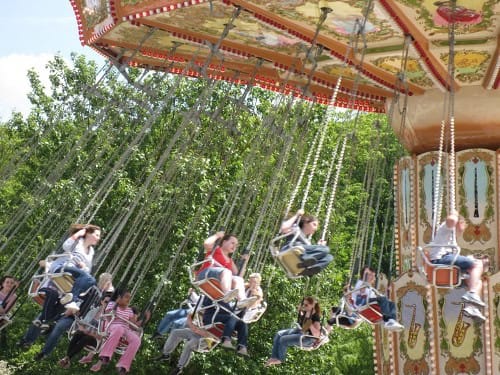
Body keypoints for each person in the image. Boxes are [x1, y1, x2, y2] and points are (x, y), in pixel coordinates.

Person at [32, 273, 114, 360]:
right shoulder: (91, 290)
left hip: (81, 322)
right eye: (103, 282)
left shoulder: (104, 306)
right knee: (59, 313)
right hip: (76, 315)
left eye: (107, 283)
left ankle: (46, 348)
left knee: (61, 326)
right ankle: (49, 325)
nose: (104, 285)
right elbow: (79, 299)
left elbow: (97, 327)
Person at [429, 210, 487, 321]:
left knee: (477, 282)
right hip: (440, 260)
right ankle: (472, 294)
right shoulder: (446, 229)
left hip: (447, 265)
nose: (463, 229)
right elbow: (451, 220)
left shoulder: (452, 239)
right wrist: (454, 213)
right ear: (459, 223)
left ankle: (471, 307)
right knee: (477, 264)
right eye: (463, 225)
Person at [90, 288, 145, 374]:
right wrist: (115, 306)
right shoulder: (112, 304)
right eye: (126, 297)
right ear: (120, 297)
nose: (128, 299)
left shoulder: (129, 310)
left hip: (125, 329)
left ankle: (123, 365)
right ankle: (105, 355)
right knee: (119, 328)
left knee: (137, 340)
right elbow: (107, 317)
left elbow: (132, 325)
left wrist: (143, 319)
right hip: (112, 325)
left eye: (129, 298)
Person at [196, 232, 256, 309]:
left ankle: (242, 300)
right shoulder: (216, 249)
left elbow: (238, 275)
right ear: (224, 242)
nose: (234, 246)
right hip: (205, 275)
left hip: (217, 281)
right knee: (227, 272)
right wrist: (217, 235)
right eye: (232, 243)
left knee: (239, 279)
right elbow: (207, 244)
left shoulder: (230, 261)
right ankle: (227, 293)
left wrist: (245, 262)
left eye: (236, 245)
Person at [57, 292, 113, 369]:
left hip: (96, 340)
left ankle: (67, 358)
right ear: (102, 302)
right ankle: (67, 358)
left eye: (110, 303)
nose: (107, 304)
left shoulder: (110, 318)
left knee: (86, 338)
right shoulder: (93, 311)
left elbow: (104, 336)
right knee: (78, 333)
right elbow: (82, 323)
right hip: (85, 333)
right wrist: (82, 328)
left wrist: (90, 333)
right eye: (106, 302)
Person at [51, 224, 101, 305]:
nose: (98, 238)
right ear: (88, 233)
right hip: (64, 267)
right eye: (97, 235)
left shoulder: (91, 251)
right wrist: (79, 233)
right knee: (88, 278)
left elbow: (88, 269)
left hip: (76, 273)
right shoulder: (78, 241)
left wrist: (83, 266)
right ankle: (72, 300)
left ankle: (70, 300)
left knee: (92, 281)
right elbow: (66, 246)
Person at [265, 296, 322, 367]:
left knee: (283, 340)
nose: (304, 306)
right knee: (279, 334)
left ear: (312, 305)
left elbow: (317, 334)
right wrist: (300, 312)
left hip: (308, 338)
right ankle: (274, 357)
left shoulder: (315, 317)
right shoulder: (306, 311)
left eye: (306, 305)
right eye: (303, 304)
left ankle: (280, 359)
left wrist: (310, 325)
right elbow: (302, 323)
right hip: (300, 331)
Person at [279, 209, 333, 276]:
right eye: (314, 224)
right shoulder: (296, 228)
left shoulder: (307, 241)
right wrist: (297, 215)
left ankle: (309, 270)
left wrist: (319, 246)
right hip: (291, 248)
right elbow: (283, 228)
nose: (316, 228)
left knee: (329, 257)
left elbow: (312, 250)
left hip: (301, 256)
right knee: (326, 249)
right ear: (306, 222)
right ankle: (304, 260)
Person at [351, 266, 404, 332]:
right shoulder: (361, 283)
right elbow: (362, 291)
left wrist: (387, 291)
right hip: (362, 303)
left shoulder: (369, 288)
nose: (373, 278)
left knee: (391, 304)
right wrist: (365, 276)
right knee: (382, 299)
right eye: (370, 275)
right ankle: (387, 319)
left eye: (374, 275)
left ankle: (391, 320)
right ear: (365, 275)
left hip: (369, 303)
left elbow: (376, 296)